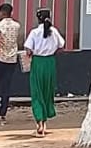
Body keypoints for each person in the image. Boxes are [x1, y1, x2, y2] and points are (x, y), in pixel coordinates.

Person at [24, 8, 64, 136]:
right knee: (47, 91)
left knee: (37, 92)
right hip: (50, 63)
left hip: (38, 62)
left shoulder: (34, 32)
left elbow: (28, 49)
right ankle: (44, 121)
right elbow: (61, 45)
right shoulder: (54, 31)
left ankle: (39, 122)